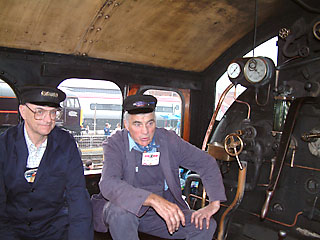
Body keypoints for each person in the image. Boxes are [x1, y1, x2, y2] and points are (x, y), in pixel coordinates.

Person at [98, 94, 226, 240]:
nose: (145, 131)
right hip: (128, 210)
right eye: (137, 124)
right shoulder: (115, 143)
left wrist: (214, 203)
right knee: (119, 212)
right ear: (127, 125)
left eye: (150, 123)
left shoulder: (168, 140)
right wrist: (152, 199)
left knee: (205, 224)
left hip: (160, 215)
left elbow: (206, 162)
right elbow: (108, 183)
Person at [0, 86, 94, 240]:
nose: (48, 119)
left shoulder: (66, 143)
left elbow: (77, 197)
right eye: (39, 112)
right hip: (12, 230)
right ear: (23, 111)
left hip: (54, 230)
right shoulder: (4, 144)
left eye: (53, 112)